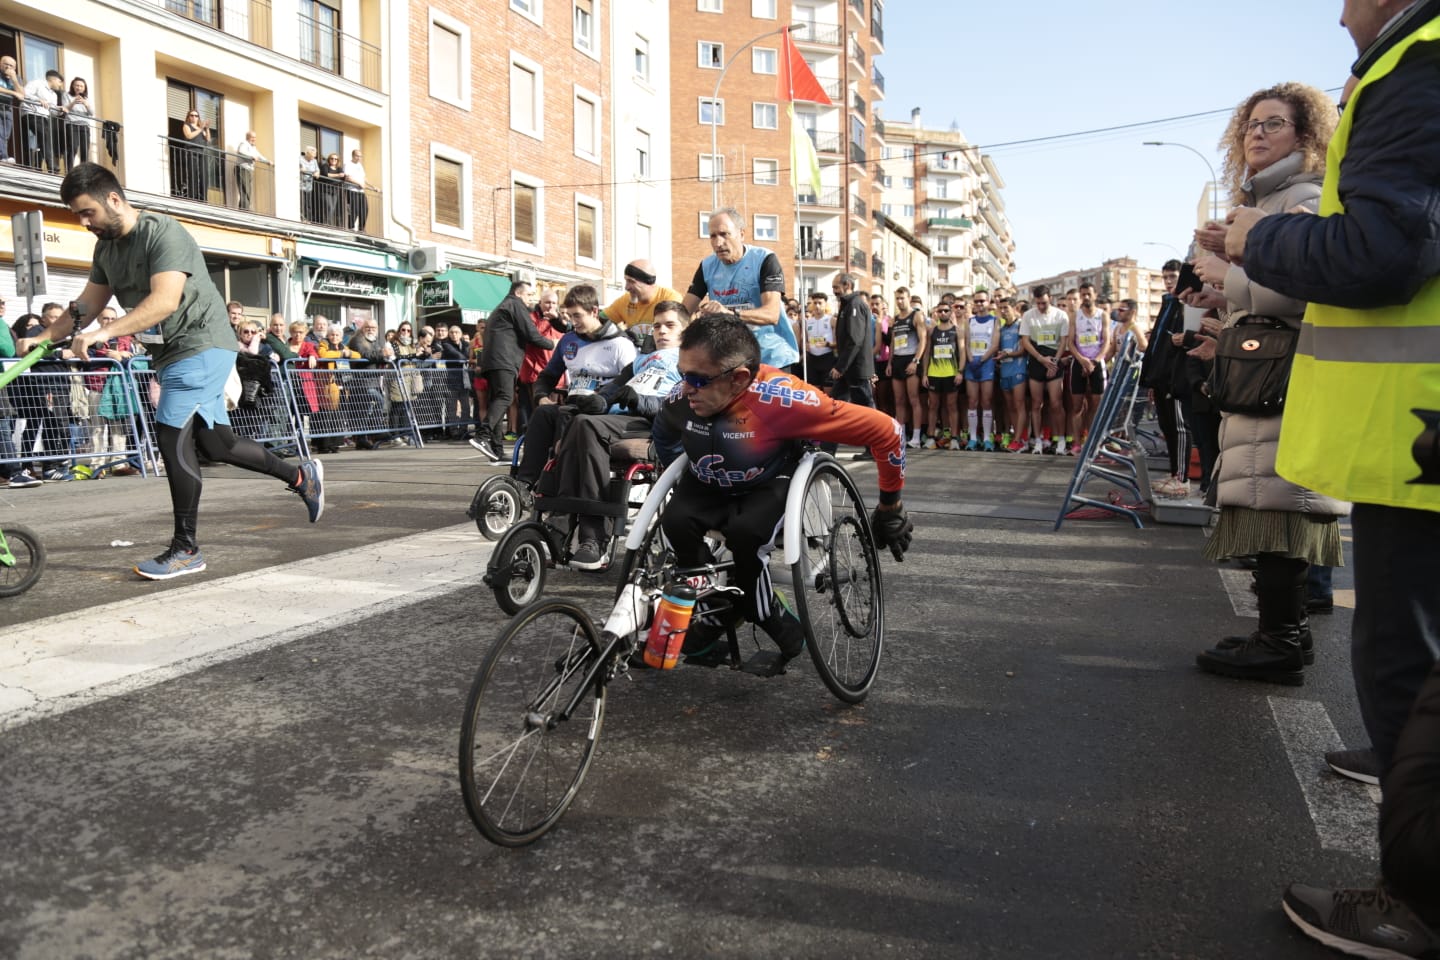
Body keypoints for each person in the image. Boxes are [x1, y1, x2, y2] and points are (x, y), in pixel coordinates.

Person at [1221, 2, 1440, 950]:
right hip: (1408, 425)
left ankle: (1415, 899)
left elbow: (1383, 251)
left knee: (1406, 665)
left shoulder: (1416, 64)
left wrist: (1251, 241)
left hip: (1414, 430)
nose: (1336, 5)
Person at [22, 163, 323, 579]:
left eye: (87, 212)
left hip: (201, 343)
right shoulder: (107, 250)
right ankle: (300, 475)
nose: (84, 222)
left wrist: (101, 334)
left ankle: (187, 548)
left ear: (113, 199)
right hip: (171, 353)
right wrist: (41, 338)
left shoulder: (162, 232)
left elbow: (164, 301)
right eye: (78, 215)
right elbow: (84, 307)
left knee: (170, 436)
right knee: (216, 445)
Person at [1187, 82, 1347, 687]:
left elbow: (1302, 290)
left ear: (1305, 137)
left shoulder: (1302, 197)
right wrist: (1222, 294)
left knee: (1279, 503)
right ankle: (1286, 633)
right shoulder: (1272, 198)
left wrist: (1227, 275)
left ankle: (1278, 638)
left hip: (1284, 376)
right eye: (1251, 124)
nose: (1257, 133)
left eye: (1274, 123)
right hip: (1269, 373)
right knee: (1270, 499)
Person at [651, 315, 913, 673]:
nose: (686, 387)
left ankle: (766, 613)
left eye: (697, 379)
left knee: (747, 536)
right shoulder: (681, 398)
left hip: (770, 480)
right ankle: (718, 606)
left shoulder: (789, 400)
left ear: (739, 379)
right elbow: (663, 433)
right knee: (675, 523)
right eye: (683, 374)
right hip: (707, 478)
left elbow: (887, 431)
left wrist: (890, 506)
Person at [543, 301, 691, 569]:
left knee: (587, 426)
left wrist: (639, 401)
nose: (661, 331)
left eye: (670, 325)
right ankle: (560, 521)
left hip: (653, 421)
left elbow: (683, 405)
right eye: (657, 326)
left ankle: (591, 536)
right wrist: (599, 400)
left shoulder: (689, 360)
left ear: (685, 330)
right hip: (618, 417)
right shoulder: (642, 360)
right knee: (576, 419)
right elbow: (614, 387)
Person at [508, 284, 636, 515]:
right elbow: (547, 376)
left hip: (604, 411)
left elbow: (630, 383)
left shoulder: (621, 344)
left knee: (568, 418)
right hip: (574, 403)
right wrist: (541, 396)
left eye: (578, 316)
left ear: (594, 311)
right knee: (544, 414)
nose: (573, 322)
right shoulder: (568, 341)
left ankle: (558, 489)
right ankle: (524, 484)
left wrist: (604, 400)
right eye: (569, 316)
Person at [681, 208, 799, 372]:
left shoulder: (765, 259)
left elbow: (772, 314)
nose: (718, 243)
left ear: (741, 234)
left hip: (772, 358)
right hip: (733, 359)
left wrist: (729, 313)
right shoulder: (707, 266)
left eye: (724, 234)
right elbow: (683, 312)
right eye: (713, 236)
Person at [472, 281, 555, 462]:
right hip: (504, 360)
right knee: (505, 397)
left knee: (498, 400)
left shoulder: (501, 307)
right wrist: (553, 344)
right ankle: (482, 435)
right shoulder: (515, 304)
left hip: (493, 361)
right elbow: (531, 334)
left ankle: (496, 449)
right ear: (518, 293)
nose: (530, 298)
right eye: (528, 294)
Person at [1019, 285, 1069, 454]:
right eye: (1038, 303)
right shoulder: (1028, 315)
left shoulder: (1061, 315)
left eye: (1044, 303)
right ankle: (1038, 441)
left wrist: (1054, 362)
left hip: (1054, 360)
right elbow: (1025, 341)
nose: (1041, 306)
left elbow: (1063, 341)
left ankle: (1061, 440)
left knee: (1056, 403)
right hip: (1036, 359)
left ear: (1051, 299)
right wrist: (1040, 359)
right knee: (1036, 403)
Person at [1064, 281, 1112, 448]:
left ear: (1094, 295)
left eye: (1088, 294)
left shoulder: (1103, 315)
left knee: (1096, 405)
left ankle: (1093, 442)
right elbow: (1070, 343)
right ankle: (1077, 443)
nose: (1085, 297)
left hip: (1097, 363)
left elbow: (1106, 342)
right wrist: (1083, 361)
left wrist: (1096, 361)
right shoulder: (1075, 316)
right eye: (1082, 294)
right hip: (1079, 362)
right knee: (1077, 405)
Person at [604, 260, 683, 344]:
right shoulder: (624, 301)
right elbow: (599, 321)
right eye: (626, 281)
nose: (626, 287)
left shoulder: (670, 298)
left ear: (648, 281)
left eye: (631, 281)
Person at [828, 273, 876, 410]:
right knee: (836, 404)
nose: (834, 291)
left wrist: (840, 366)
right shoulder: (848, 304)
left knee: (865, 406)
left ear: (847, 285)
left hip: (856, 369)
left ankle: (877, 431)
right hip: (848, 368)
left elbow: (855, 340)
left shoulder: (855, 304)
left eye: (836, 287)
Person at [888, 287, 928, 448]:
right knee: (899, 400)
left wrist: (916, 361)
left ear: (908, 298)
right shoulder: (895, 318)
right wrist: (890, 363)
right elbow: (893, 342)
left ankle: (916, 437)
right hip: (897, 360)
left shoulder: (916, 316)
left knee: (914, 399)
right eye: (897, 298)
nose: (899, 301)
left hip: (911, 360)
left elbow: (923, 340)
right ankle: (901, 436)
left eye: (902, 298)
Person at [919, 300, 960, 449]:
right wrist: (924, 374)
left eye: (946, 311)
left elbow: (961, 354)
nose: (943, 313)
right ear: (936, 313)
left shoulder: (957, 330)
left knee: (951, 406)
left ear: (951, 313)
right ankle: (930, 437)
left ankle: (954, 438)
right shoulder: (932, 331)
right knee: (933, 406)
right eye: (940, 311)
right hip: (934, 374)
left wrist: (960, 372)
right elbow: (927, 354)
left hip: (951, 373)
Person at [962, 290, 1000, 451]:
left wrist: (982, 359)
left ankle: (987, 438)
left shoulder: (995, 321)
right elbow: (967, 343)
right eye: (976, 301)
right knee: (972, 401)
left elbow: (995, 344)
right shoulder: (969, 321)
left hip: (986, 363)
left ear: (988, 302)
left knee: (986, 401)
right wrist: (971, 359)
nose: (979, 304)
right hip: (972, 363)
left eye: (982, 301)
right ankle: (972, 438)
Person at [995, 296, 1030, 451]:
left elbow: (1023, 350)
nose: (1003, 312)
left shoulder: (1021, 325)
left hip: (1018, 370)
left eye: (1006, 308)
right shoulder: (1001, 329)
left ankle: (1020, 440)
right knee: (1010, 407)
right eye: (1001, 309)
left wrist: (1008, 355)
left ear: (1015, 308)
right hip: (1004, 371)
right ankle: (1018, 437)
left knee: (1019, 405)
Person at [21, 69, 64, 173]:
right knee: (44, 136)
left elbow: (52, 110)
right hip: (31, 113)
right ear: (53, 79)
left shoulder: (53, 94)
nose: (60, 86)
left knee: (44, 140)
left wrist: (60, 110)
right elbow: (23, 94)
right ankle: (51, 164)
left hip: (43, 117)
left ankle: (38, 165)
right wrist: (38, 100)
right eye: (59, 82)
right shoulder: (37, 83)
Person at [801, 291, 835, 388]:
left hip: (827, 358)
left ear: (825, 304)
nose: (817, 306)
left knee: (828, 392)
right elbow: (805, 341)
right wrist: (805, 347)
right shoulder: (807, 322)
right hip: (812, 359)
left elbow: (838, 343)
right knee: (814, 392)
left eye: (820, 303)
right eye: (815, 303)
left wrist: (828, 344)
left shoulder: (832, 320)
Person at [175, 109, 210, 201]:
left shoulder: (200, 128)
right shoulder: (186, 126)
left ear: (198, 118)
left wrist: (207, 128)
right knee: (192, 175)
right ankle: (193, 197)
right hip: (191, 152)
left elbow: (208, 139)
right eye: (192, 115)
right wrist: (201, 129)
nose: (194, 117)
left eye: (196, 116)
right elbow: (189, 136)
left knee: (203, 175)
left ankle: (203, 198)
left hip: (202, 153)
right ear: (188, 117)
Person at [63, 77, 92, 171]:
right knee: (72, 148)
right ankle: (69, 171)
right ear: (73, 86)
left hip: (84, 126)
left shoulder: (87, 98)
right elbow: (65, 109)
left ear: (84, 88)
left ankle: (84, 172)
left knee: (85, 150)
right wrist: (73, 102)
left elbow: (91, 113)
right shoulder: (67, 95)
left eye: (81, 86)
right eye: (77, 85)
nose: (79, 88)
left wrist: (85, 104)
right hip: (72, 124)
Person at [235, 131, 269, 211]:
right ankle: (245, 210)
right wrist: (252, 157)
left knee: (247, 191)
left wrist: (268, 161)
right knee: (245, 190)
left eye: (255, 137)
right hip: (243, 169)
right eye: (252, 137)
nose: (254, 139)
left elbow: (259, 156)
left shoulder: (252, 147)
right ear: (248, 137)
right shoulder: (244, 143)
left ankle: (245, 209)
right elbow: (241, 151)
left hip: (248, 170)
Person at [0, 56, 20, 163]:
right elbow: (17, 94)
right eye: (5, 64)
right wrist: (13, 92)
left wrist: (15, 80)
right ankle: (3, 156)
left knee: (5, 135)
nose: (8, 67)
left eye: (11, 65)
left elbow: (22, 94)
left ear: (15, 68)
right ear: (0, 64)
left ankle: (3, 156)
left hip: (8, 109)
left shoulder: (16, 78)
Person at [343, 148, 368, 231]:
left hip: (361, 191)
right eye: (357, 156)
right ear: (353, 156)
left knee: (365, 209)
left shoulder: (360, 166)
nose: (359, 158)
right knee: (354, 209)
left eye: (360, 156)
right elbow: (348, 177)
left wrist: (372, 187)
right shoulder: (348, 164)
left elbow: (364, 179)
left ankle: (361, 228)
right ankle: (351, 227)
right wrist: (359, 183)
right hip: (352, 190)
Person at [319, 152, 346, 226]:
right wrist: (337, 175)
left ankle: (329, 223)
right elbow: (325, 174)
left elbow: (343, 176)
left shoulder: (339, 168)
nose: (334, 160)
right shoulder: (325, 166)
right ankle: (326, 223)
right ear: (329, 159)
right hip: (325, 190)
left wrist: (341, 175)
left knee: (332, 208)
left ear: (337, 161)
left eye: (336, 159)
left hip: (335, 191)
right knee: (329, 207)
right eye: (332, 158)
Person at [299, 146, 319, 222]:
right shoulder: (300, 158)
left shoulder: (314, 161)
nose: (315, 154)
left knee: (308, 205)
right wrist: (301, 170)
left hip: (309, 186)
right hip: (300, 185)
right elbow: (297, 168)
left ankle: (308, 220)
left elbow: (317, 171)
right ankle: (302, 219)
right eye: (313, 152)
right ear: (307, 153)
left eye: (315, 153)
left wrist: (317, 173)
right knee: (302, 203)